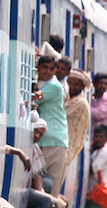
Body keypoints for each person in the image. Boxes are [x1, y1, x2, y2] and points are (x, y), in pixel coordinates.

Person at [36, 54, 70, 199]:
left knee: (51, 188)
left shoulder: (55, 87)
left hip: (55, 141)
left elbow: (34, 98)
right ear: (38, 67)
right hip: (42, 140)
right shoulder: (40, 83)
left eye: (51, 69)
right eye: (45, 67)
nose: (48, 71)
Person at [86, 124, 107, 208]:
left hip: (97, 194)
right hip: (90, 193)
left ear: (106, 139)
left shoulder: (105, 151)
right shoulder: (94, 148)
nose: (98, 139)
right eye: (96, 136)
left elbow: (92, 169)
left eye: (101, 137)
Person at [65, 70, 92, 170]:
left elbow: (59, 111)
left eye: (76, 84)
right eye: (69, 83)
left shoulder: (79, 102)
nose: (72, 86)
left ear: (82, 86)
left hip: (66, 147)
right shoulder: (69, 98)